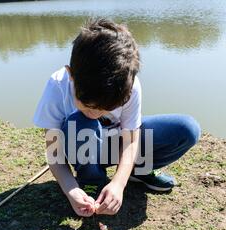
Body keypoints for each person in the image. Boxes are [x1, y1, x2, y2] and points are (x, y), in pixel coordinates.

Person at [33, 18, 201, 217]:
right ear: (71, 75)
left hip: (117, 142)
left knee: (187, 129)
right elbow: (54, 152)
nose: (95, 113)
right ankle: (90, 181)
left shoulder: (129, 85)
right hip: (82, 145)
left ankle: (138, 171)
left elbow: (131, 138)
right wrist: (70, 188)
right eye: (88, 105)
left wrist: (119, 184)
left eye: (106, 108)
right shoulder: (57, 85)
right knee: (82, 121)